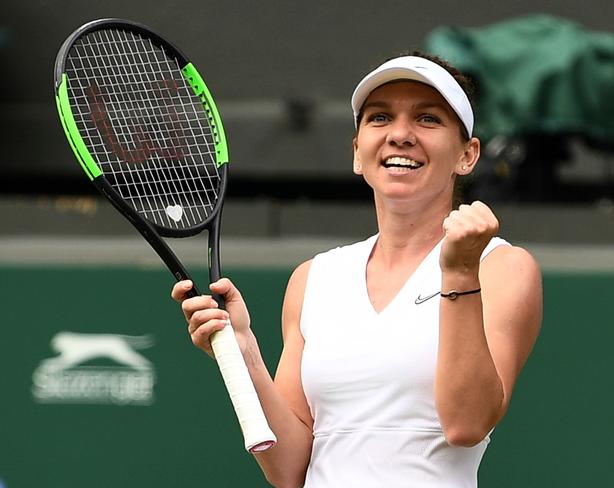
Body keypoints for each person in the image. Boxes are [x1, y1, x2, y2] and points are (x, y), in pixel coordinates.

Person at [172, 51, 543, 487]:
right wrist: (244, 352)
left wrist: (460, 272)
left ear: (467, 155)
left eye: (427, 119)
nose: (400, 135)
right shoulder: (313, 279)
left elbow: (466, 425)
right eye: (380, 118)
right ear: (357, 152)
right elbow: (291, 468)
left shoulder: (502, 268)